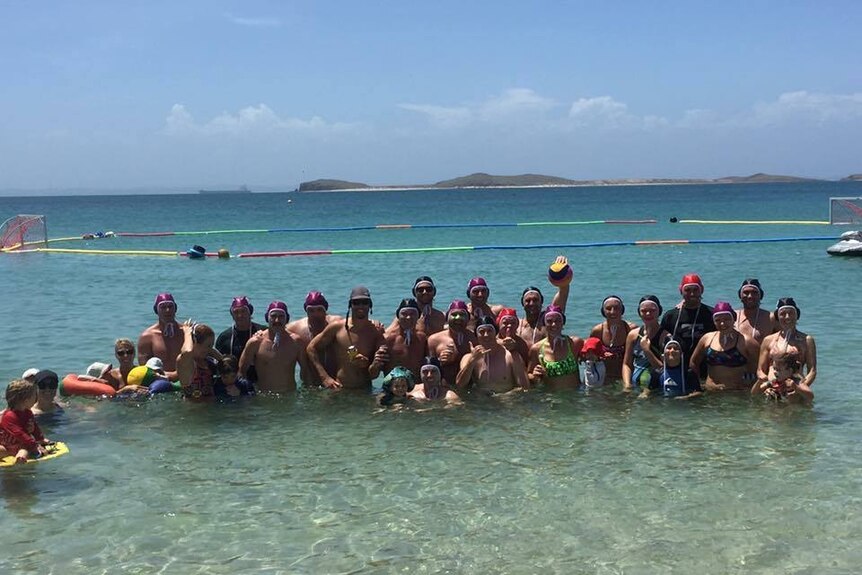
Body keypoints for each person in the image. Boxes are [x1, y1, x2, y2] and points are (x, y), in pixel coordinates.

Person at [308, 287, 388, 391]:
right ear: (350, 305)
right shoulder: (337, 327)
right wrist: (325, 378)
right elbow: (311, 348)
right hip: (340, 388)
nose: (360, 306)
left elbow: (373, 375)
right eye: (356, 302)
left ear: (370, 305)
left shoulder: (376, 332)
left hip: (365, 390)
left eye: (364, 302)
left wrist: (371, 364)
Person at [690, 302, 759, 392]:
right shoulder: (707, 339)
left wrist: (752, 386)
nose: (722, 323)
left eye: (726, 319)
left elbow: (762, 367)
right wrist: (697, 386)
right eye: (718, 320)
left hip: (736, 395)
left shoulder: (746, 342)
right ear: (713, 321)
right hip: (711, 393)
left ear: (733, 319)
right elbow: (694, 362)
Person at [239, 301, 305, 394]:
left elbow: (306, 371)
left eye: (281, 316)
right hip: (264, 396)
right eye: (273, 316)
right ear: (267, 318)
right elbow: (242, 371)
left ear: (287, 319)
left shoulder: (296, 342)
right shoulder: (255, 342)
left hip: (289, 396)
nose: (277, 320)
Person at [659, 273, 716, 377]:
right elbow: (662, 344)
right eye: (688, 290)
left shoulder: (711, 314)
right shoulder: (671, 316)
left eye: (695, 290)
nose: (692, 293)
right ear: (681, 290)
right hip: (678, 368)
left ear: (701, 290)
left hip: (706, 369)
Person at [456, 315, 528, 395]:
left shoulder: (512, 356)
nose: (486, 335)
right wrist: (472, 361)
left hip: (506, 403)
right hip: (479, 403)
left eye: (489, 331)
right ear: (476, 335)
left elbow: (525, 388)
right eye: (481, 332)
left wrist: (503, 396)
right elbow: (460, 385)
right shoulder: (468, 358)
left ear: (496, 333)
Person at [757, 297, 817, 389]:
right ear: (777, 316)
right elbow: (760, 370)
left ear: (797, 315)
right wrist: (767, 384)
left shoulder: (806, 340)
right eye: (783, 314)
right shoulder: (768, 340)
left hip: (796, 391)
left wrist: (800, 388)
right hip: (773, 390)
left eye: (791, 313)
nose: (787, 317)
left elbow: (812, 370)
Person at [287, 291, 343, 387]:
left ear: (326, 309)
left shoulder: (337, 323)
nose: (315, 314)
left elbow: (355, 328)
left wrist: (374, 323)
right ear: (306, 310)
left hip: (335, 383)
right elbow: (273, 331)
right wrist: (260, 333)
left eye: (319, 310)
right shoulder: (295, 328)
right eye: (311, 310)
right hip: (309, 385)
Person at [527, 305, 584, 391]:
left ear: (563, 322)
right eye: (549, 321)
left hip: (574, 397)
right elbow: (529, 374)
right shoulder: (537, 349)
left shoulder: (574, 343)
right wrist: (535, 376)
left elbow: (592, 351)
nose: (554, 324)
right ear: (544, 324)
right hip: (550, 398)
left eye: (557, 321)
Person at [517, 255, 572, 344]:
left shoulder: (548, 319)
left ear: (541, 302)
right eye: (528, 300)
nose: (531, 303)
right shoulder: (516, 324)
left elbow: (563, 291)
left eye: (535, 300)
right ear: (522, 303)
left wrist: (561, 270)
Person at [622, 296, 669, 393]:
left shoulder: (666, 337)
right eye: (644, 311)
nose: (648, 314)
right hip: (635, 386)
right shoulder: (633, 335)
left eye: (652, 310)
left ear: (659, 311)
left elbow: (664, 369)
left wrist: (647, 350)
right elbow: (626, 364)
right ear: (639, 313)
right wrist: (627, 384)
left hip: (656, 388)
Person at [0, 379, 53, 464]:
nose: (36, 399)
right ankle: (20, 458)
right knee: (24, 449)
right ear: (26, 400)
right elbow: (20, 434)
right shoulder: (9, 416)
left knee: (23, 451)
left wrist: (40, 439)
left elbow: (35, 427)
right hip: (7, 445)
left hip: (19, 445)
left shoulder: (28, 413)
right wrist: (35, 445)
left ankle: (20, 459)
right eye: (34, 396)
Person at [427, 300, 476, 389]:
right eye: (454, 315)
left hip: (469, 389)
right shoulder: (434, 340)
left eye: (462, 315)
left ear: (468, 318)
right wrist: (440, 361)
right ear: (447, 318)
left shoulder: (474, 338)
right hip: (444, 389)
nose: (458, 318)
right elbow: (428, 367)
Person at [590, 295, 637, 382]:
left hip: (626, 378)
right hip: (604, 378)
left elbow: (640, 356)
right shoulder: (598, 330)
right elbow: (589, 356)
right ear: (603, 311)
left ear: (622, 310)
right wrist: (600, 355)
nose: (613, 312)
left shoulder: (631, 329)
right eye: (608, 308)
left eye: (616, 308)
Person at [138, 293, 183, 380]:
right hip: (159, 381)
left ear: (175, 308)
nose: (167, 310)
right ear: (156, 310)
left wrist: (176, 375)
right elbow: (145, 369)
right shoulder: (147, 337)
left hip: (184, 378)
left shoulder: (186, 332)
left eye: (170, 306)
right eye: (163, 307)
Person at [383, 298, 428, 380]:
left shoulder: (422, 338)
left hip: (417, 388)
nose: (408, 317)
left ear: (418, 316)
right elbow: (373, 374)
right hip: (394, 388)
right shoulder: (388, 339)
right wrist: (375, 364)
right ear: (398, 316)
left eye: (412, 314)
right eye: (404, 314)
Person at [215, 297, 265, 370]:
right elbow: (218, 363)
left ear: (250, 312)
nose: (240, 315)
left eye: (243, 311)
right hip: (233, 379)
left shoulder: (262, 332)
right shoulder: (224, 337)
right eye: (236, 312)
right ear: (232, 315)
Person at [176, 322, 221, 400]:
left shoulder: (206, 360)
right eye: (208, 346)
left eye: (212, 345)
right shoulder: (185, 361)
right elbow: (187, 351)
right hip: (193, 410)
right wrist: (187, 333)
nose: (210, 349)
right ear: (194, 342)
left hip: (211, 408)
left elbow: (225, 362)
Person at [734, 278, 777, 345]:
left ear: (760, 296)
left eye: (754, 292)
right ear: (740, 295)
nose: (750, 296)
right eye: (746, 292)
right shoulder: (733, 316)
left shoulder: (770, 318)